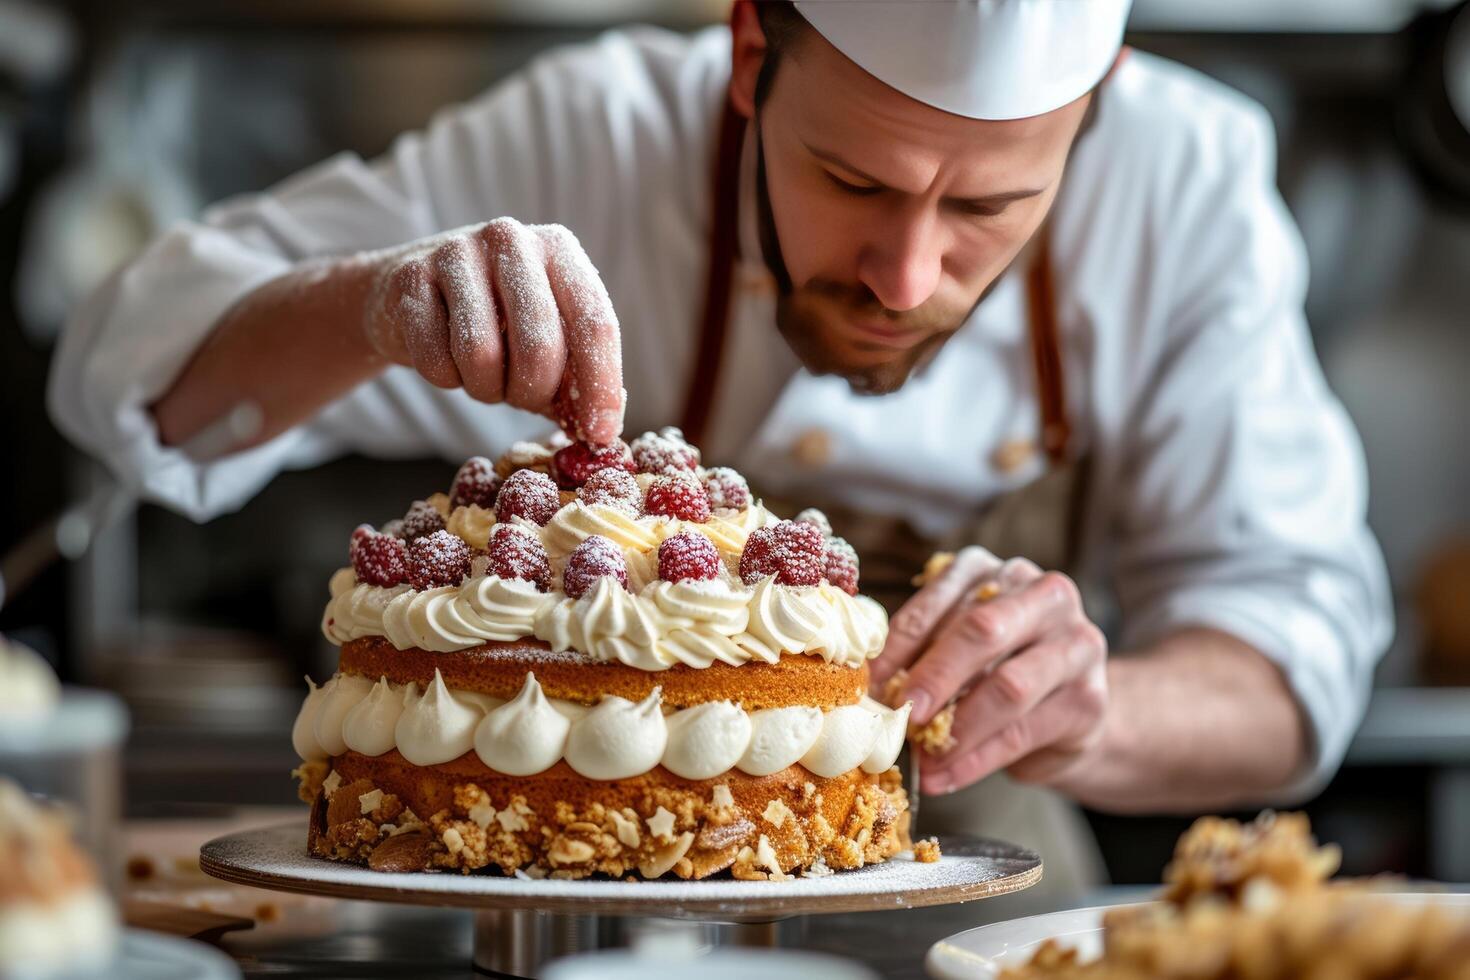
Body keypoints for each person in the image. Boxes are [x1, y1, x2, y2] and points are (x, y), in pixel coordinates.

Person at [49, 0, 1391, 897]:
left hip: (976, 895)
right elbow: (125, 375)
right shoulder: (599, 134)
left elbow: (1292, 655)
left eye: (988, 204)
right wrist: (365, 305)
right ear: (751, 53)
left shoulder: (1186, 181)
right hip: (533, 907)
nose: (904, 273)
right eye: (852, 181)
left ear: (1091, 110)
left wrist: (1092, 708)